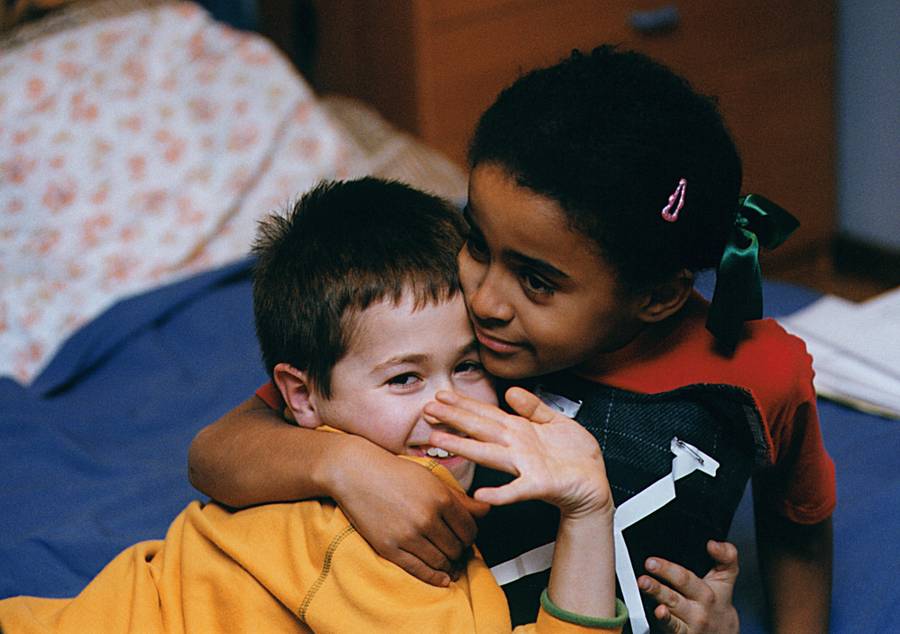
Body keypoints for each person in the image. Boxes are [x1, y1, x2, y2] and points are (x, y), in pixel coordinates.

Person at [189, 46, 835, 633]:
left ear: (656, 296)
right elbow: (218, 452)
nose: (487, 297)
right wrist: (344, 468)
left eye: (536, 280)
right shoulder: (453, 327)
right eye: (477, 240)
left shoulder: (761, 375)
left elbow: (798, 526)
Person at [0, 178, 627, 633]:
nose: (447, 406)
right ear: (300, 394)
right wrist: (589, 509)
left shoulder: (314, 454)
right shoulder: (380, 554)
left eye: (467, 366)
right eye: (404, 378)